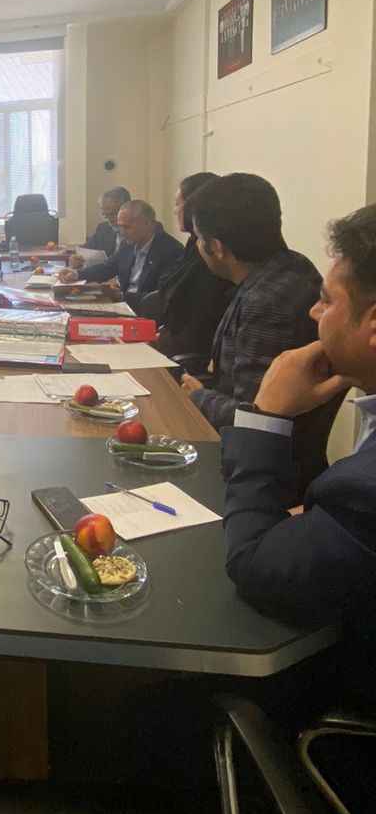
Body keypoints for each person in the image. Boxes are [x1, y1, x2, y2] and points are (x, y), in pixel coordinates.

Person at [221, 203, 376, 705]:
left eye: (327, 301)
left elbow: (253, 563)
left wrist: (266, 414)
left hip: (336, 697)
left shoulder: (366, 494)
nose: (313, 312)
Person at [181, 174, 321, 429]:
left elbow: (253, 417)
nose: (198, 246)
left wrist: (198, 396)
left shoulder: (267, 304)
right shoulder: (294, 266)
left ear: (218, 248)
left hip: (245, 449)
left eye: (199, 238)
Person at [139, 172, 232, 363]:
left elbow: (200, 321)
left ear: (194, 207)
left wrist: (163, 341)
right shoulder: (193, 244)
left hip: (186, 354)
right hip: (169, 339)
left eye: (177, 204)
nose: (175, 211)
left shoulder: (212, 257)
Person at [58, 200, 182, 309]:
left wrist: (121, 296)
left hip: (145, 312)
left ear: (148, 224)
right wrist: (76, 274)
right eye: (120, 226)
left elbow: (161, 297)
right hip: (121, 305)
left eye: (126, 227)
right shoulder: (127, 245)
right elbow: (107, 267)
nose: (122, 233)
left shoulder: (171, 251)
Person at [69, 186, 132, 265]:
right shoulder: (103, 228)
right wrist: (76, 258)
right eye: (105, 215)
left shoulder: (136, 232)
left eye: (112, 214)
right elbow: (85, 250)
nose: (109, 219)